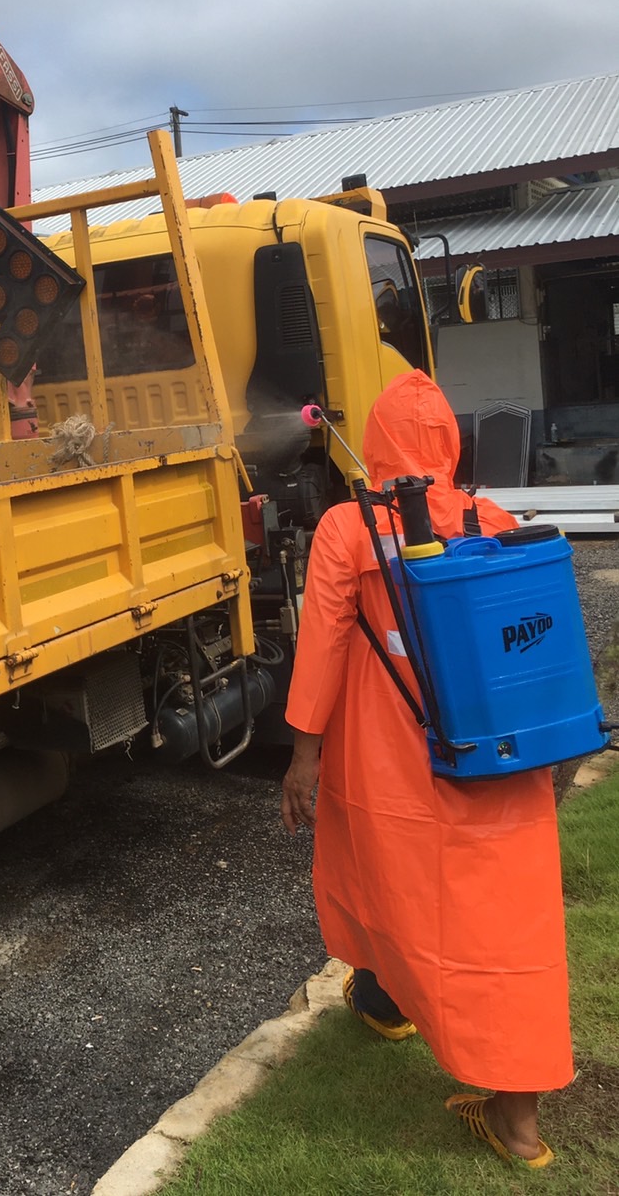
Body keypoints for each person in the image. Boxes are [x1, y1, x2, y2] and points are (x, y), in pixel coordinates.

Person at [280, 369, 572, 1168]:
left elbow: (322, 647)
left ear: (377, 443)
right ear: (449, 444)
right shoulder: (493, 519)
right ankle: (518, 1123)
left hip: (393, 764)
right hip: (501, 766)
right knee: (505, 929)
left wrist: (303, 757)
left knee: (385, 887)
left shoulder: (347, 529)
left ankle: (384, 1002)